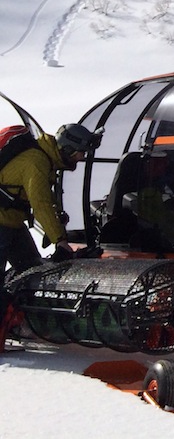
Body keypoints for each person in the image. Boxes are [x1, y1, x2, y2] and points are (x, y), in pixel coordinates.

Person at [0, 123, 101, 347]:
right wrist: (61, 241)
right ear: (67, 149)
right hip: (3, 225)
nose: (81, 158)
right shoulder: (36, 161)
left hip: (12, 223)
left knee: (31, 269)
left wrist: (57, 224)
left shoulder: (44, 160)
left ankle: (20, 323)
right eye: (80, 153)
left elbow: (45, 199)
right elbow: (41, 204)